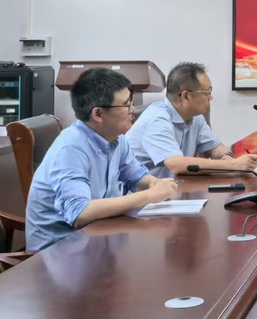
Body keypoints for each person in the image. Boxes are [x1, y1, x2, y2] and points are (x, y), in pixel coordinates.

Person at [26, 68, 179, 252]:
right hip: (58, 251)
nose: (132, 109)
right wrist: (149, 195)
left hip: (96, 238)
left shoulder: (116, 138)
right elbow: (80, 213)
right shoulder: (72, 148)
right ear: (98, 114)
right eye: (126, 104)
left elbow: (136, 176)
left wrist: (155, 184)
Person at [127, 61, 257, 178]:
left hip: (172, 188)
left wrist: (227, 157)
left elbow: (215, 147)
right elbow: (176, 164)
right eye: (207, 92)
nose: (211, 98)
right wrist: (234, 165)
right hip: (142, 194)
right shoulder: (157, 120)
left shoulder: (195, 117)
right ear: (186, 96)